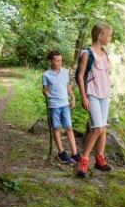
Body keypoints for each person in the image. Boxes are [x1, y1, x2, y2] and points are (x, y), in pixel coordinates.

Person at [75, 24, 113, 177]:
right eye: (108, 35)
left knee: (103, 128)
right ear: (100, 35)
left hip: (104, 94)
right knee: (96, 128)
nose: (109, 38)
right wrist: (83, 96)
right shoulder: (87, 53)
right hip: (92, 94)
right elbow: (80, 75)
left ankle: (100, 159)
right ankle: (83, 160)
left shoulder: (104, 53)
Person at [42, 50, 80, 164]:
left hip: (65, 104)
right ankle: (61, 151)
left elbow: (67, 86)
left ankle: (75, 153)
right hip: (54, 105)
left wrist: (72, 98)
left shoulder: (65, 72)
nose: (59, 63)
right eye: (57, 60)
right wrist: (44, 92)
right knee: (56, 128)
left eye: (60, 60)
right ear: (50, 61)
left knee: (69, 128)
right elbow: (44, 89)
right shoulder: (46, 75)